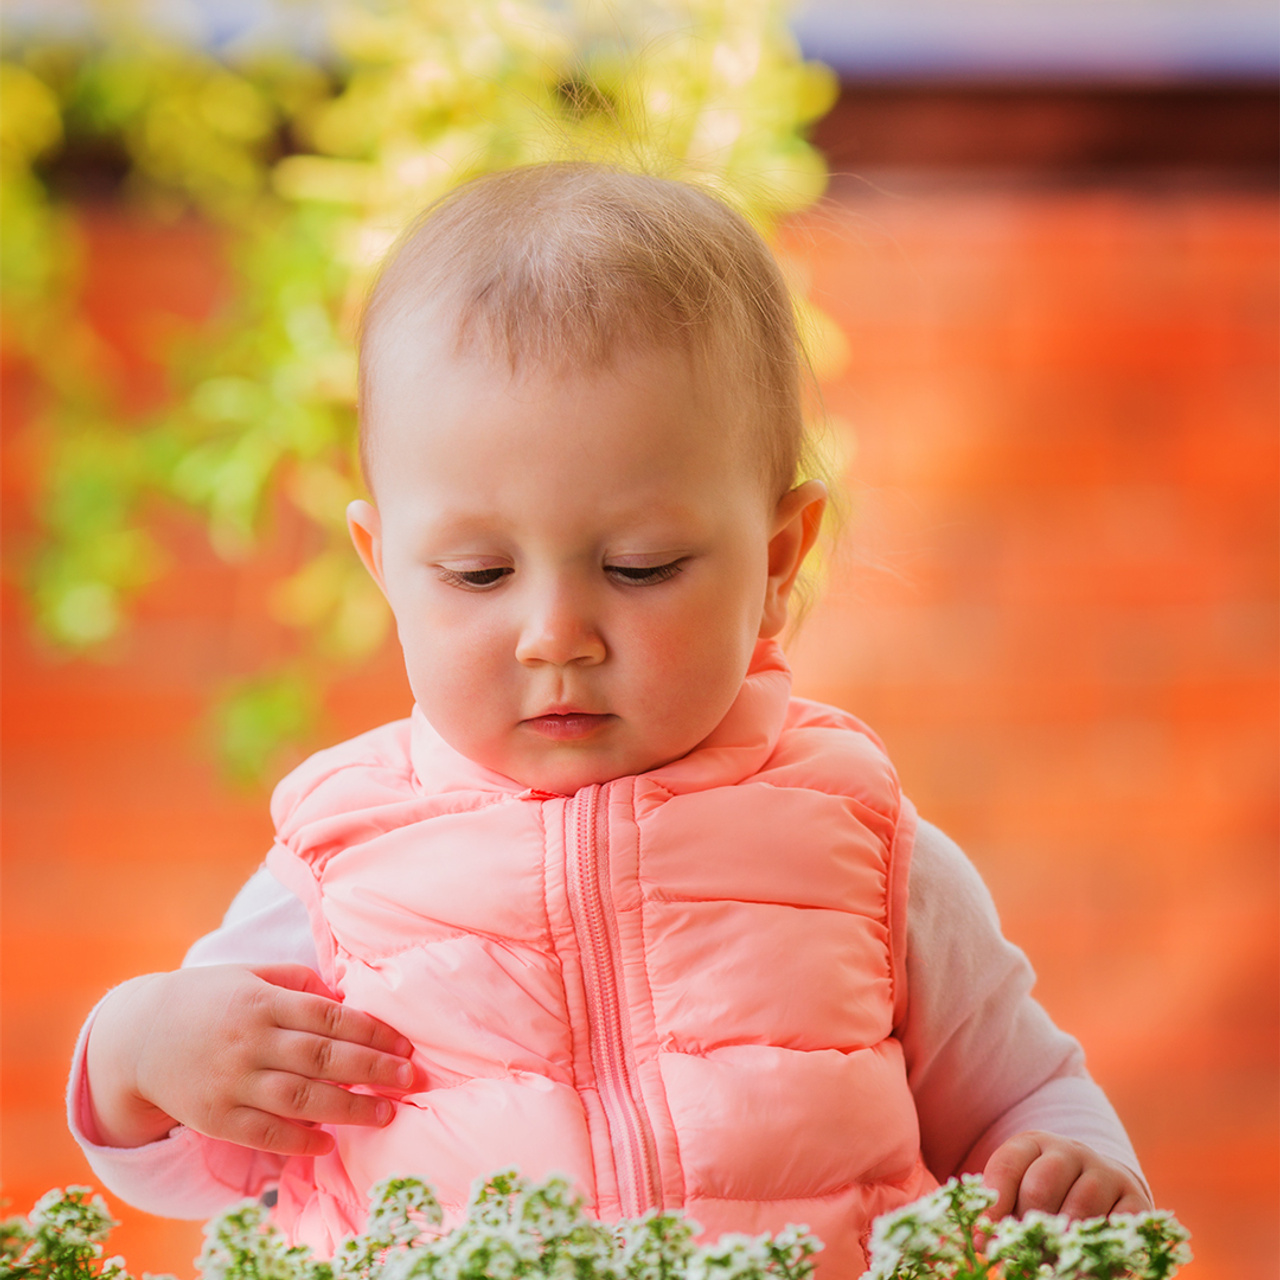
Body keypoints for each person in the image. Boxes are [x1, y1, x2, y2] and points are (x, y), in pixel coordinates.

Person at [68, 163, 1151, 1276]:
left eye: (640, 566)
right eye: (478, 572)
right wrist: (139, 1046)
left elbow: (1020, 1089)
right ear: (383, 563)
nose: (555, 632)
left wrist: (1065, 1163)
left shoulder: (858, 846)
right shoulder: (339, 862)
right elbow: (198, 1162)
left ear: (775, 560)